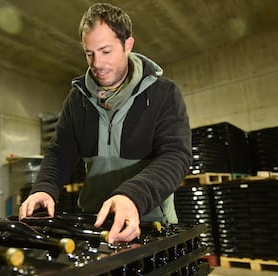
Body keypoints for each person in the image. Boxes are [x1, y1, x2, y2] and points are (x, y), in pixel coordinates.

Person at [19, 2, 192, 244]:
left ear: (127, 45)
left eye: (106, 51)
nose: (97, 63)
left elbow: (176, 156)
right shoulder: (77, 100)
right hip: (94, 222)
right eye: (89, 53)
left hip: (150, 222)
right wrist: (44, 187)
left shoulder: (164, 93)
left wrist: (132, 196)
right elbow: (60, 152)